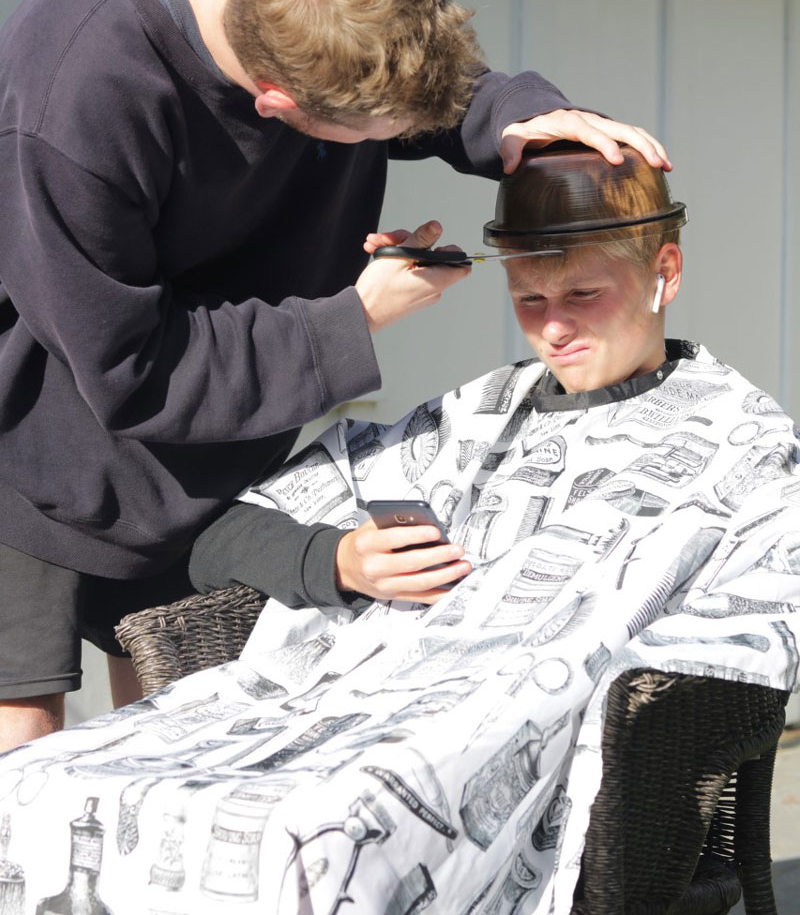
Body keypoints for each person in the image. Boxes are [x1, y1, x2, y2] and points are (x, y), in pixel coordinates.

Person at [0, 145, 796, 915]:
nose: (553, 329)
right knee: (46, 783)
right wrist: (337, 558)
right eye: (528, 299)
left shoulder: (747, 440)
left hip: (480, 754)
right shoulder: (466, 419)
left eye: (584, 296)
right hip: (323, 720)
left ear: (666, 272)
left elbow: (760, 628)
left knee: (311, 836)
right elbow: (209, 530)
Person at [0, 0, 670, 751]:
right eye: (387, 136)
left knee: (179, 717)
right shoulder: (76, 103)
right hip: (37, 436)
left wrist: (521, 119)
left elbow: (432, 85)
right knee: (24, 731)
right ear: (274, 104)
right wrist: (354, 317)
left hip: (220, 440)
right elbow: (134, 371)